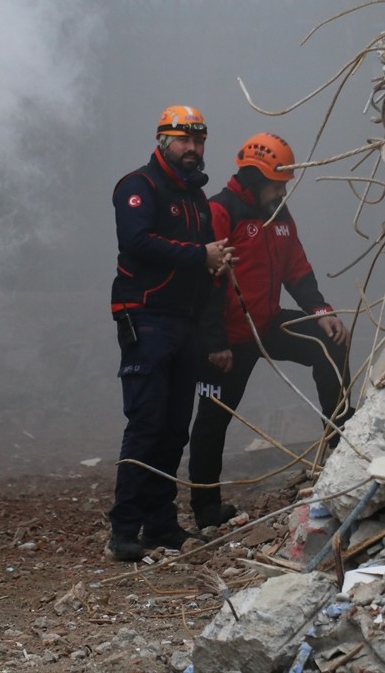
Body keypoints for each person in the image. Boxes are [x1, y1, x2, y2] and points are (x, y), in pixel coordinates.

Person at [189, 132, 351, 530]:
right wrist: (214, 342)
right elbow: (202, 284)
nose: (283, 188)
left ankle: (342, 445)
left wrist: (320, 310)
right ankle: (206, 510)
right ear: (255, 177)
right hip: (228, 337)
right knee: (213, 421)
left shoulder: (278, 212)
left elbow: (297, 267)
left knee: (327, 343)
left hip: (267, 322)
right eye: (278, 181)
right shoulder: (219, 211)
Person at [107, 104, 232, 562]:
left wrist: (214, 262)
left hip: (185, 322)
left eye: (199, 141)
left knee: (175, 428)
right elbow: (136, 242)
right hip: (145, 316)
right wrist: (202, 255)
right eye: (184, 140)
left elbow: (200, 258)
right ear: (163, 139)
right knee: (146, 424)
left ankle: (160, 524)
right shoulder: (138, 186)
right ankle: (123, 529)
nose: (193, 149)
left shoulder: (195, 197)